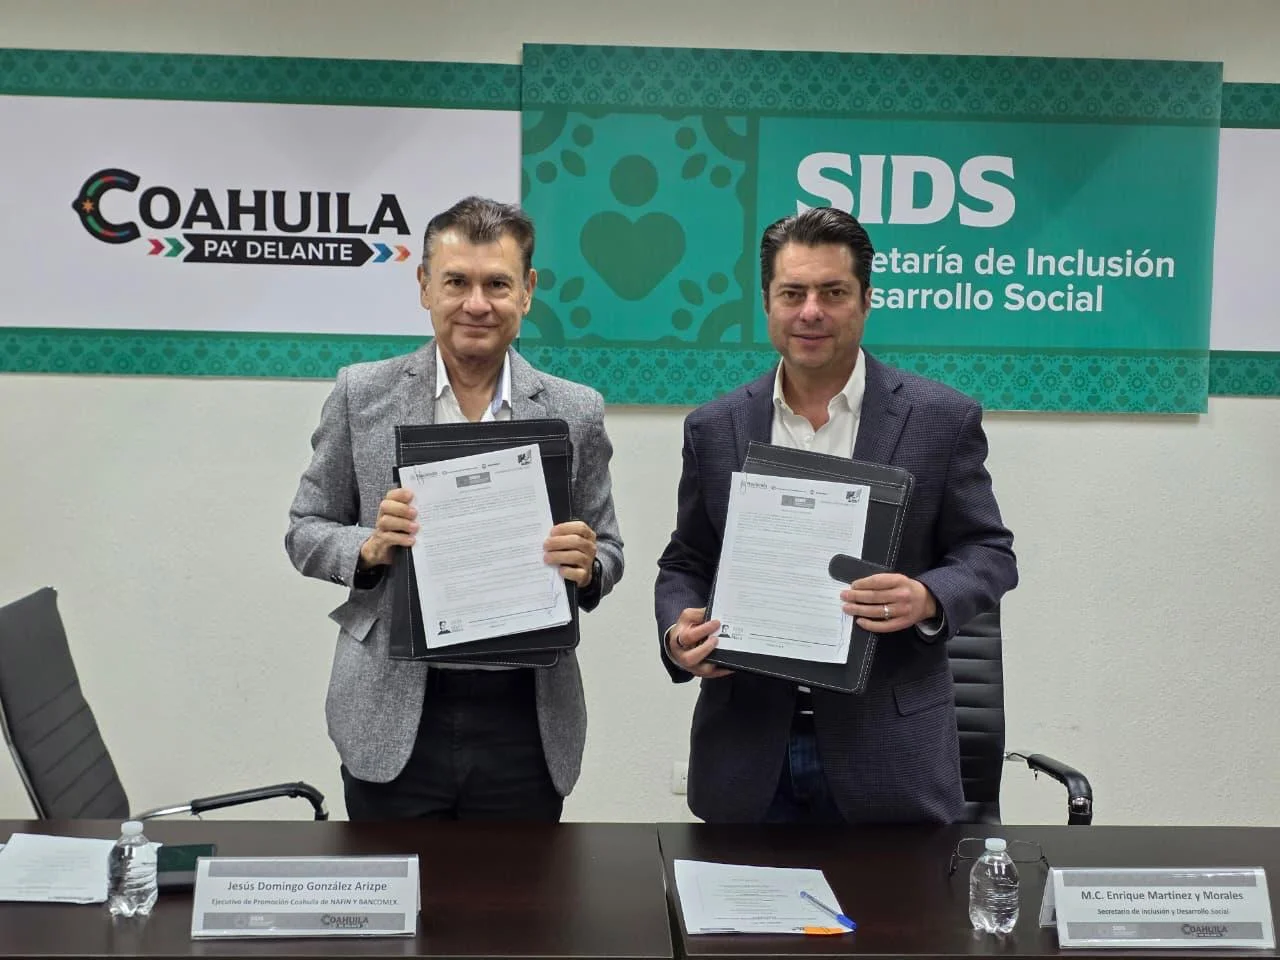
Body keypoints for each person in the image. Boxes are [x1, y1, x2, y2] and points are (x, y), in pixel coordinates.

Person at [654, 207, 1017, 824]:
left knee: (897, 896)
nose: (811, 311)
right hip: (748, 754)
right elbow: (686, 560)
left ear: (866, 300)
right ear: (766, 303)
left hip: (889, 755)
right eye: (792, 293)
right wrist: (677, 633)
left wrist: (927, 596)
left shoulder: (940, 418)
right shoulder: (714, 428)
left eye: (833, 292)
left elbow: (989, 551)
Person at [287, 196, 624, 821]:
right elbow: (305, 529)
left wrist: (589, 564)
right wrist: (367, 548)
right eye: (456, 282)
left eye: (497, 284)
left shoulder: (574, 411)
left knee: (518, 888)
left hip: (525, 714)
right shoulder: (362, 395)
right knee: (395, 886)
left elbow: (607, 547)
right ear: (424, 286)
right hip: (392, 711)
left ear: (527, 291)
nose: (476, 303)